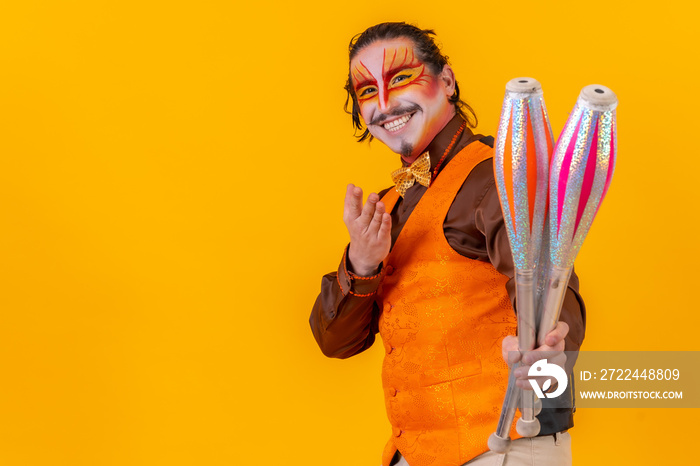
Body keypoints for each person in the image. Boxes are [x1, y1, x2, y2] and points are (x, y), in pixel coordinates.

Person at [309, 22, 585, 466]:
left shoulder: (498, 178)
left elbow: (552, 285)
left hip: (505, 444)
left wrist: (547, 346)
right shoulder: (390, 204)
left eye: (400, 79)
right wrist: (361, 262)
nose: (384, 104)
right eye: (366, 92)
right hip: (413, 454)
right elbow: (336, 341)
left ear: (448, 81)